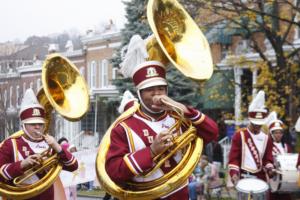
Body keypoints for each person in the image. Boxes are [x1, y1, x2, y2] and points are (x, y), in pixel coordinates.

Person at [105, 35, 219, 200]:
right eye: (150, 89)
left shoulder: (179, 118)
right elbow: (114, 171)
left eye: (161, 88)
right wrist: (151, 151)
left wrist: (185, 110)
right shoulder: (124, 127)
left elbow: (212, 133)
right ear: (140, 93)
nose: (157, 93)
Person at [0, 89, 78, 200]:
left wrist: (58, 147)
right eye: (32, 124)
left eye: (40, 124)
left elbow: (73, 166)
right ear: (23, 125)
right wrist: (23, 164)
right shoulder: (10, 144)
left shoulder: (50, 144)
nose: (37, 127)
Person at [228, 90, 275, 186]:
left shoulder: (267, 139)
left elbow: (267, 159)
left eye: (260, 124)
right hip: (243, 176)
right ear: (250, 121)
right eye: (255, 124)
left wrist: (270, 169)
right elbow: (234, 158)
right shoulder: (239, 135)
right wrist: (234, 174)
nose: (258, 126)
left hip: (260, 179)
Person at [266, 111, 292, 200]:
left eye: (280, 132)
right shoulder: (268, 147)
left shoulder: (286, 147)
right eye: (276, 133)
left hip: (286, 181)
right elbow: (266, 161)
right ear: (271, 134)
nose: (278, 135)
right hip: (273, 180)